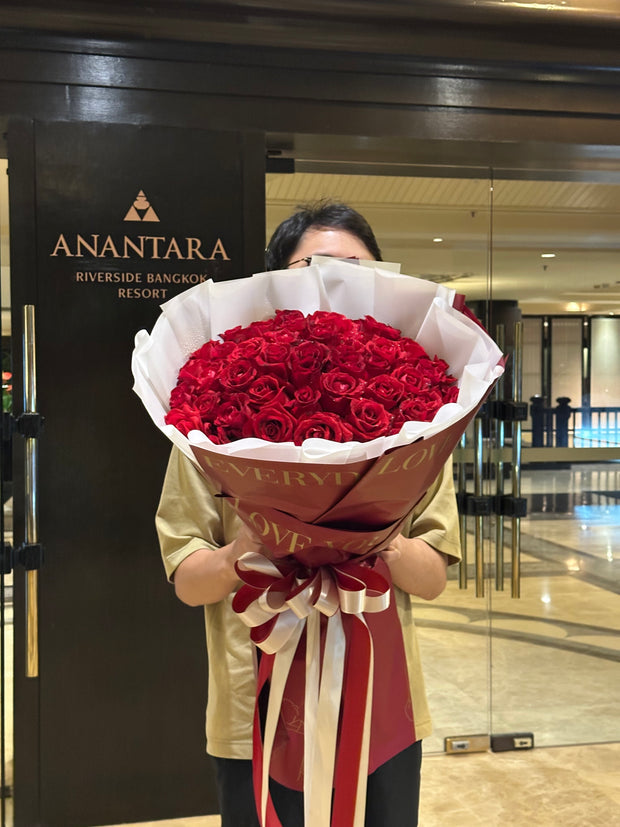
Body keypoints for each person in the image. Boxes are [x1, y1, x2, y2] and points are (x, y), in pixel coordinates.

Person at [155, 201, 461, 826]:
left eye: (357, 270)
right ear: (277, 286)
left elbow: (431, 581)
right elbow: (188, 583)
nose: (336, 286)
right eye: (313, 268)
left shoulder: (423, 431)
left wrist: (377, 535)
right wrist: (249, 542)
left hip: (384, 707)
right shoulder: (208, 425)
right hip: (253, 708)